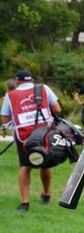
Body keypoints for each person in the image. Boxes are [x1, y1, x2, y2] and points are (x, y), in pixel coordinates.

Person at [0, 69, 62, 212]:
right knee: (45, 164)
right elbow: (57, 109)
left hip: (24, 136)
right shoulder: (44, 89)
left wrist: (9, 126)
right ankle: (46, 194)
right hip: (45, 133)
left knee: (25, 166)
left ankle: (25, 203)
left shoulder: (10, 95)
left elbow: (4, 117)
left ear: (17, 81)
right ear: (31, 80)